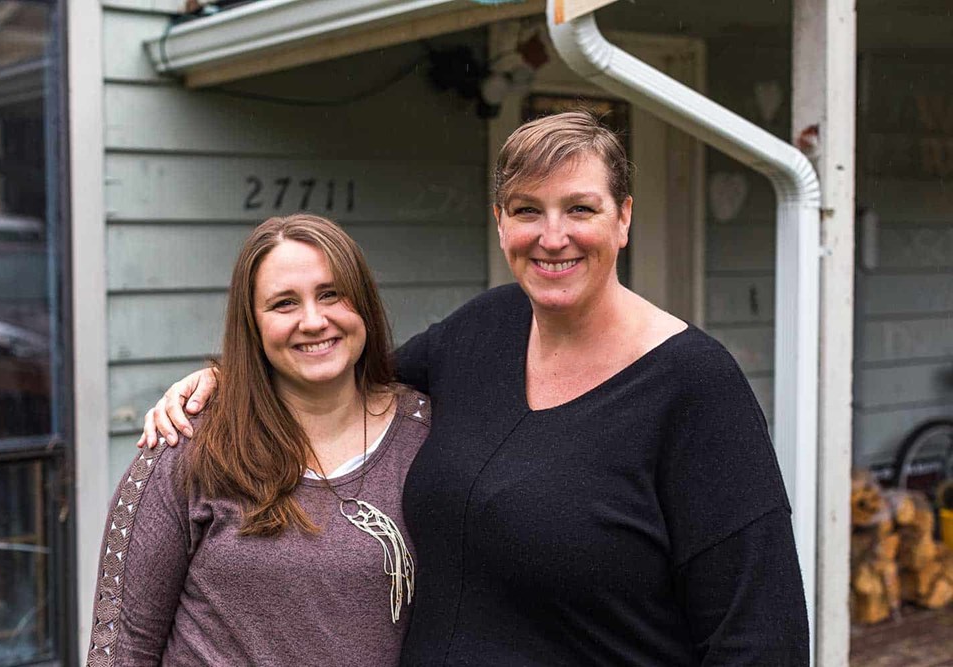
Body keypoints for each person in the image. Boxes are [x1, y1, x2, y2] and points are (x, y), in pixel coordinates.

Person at [139, 111, 809, 665]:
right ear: (500, 222)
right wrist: (227, 377)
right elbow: (338, 368)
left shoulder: (694, 385)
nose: (553, 237)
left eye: (581, 208)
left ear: (623, 217)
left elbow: (762, 637)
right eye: (527, 210)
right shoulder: (483, 330)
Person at [87, 214, 428, 666]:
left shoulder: (426, 437)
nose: (313, 320)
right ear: (253, 324)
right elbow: (121, 646)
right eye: (284, 304)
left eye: (331, 294)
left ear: (363, 303)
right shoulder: (188, 443)